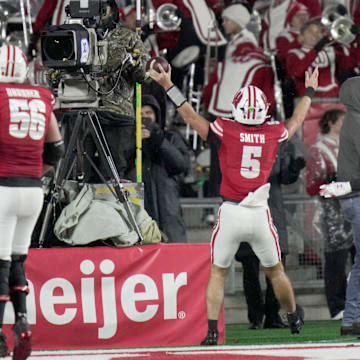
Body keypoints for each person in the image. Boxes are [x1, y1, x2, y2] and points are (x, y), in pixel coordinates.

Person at [149, 61, 319, 344]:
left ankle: (212, 331)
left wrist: (168, 84)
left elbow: (189, 116)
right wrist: (310, 89)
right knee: (276, 272)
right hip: (260, 215)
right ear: (263, 110)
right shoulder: (272, 132)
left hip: (231, 213)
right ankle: (292, 316)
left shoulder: (224, 129)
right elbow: (297, 119)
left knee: (217, 273)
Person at [0, 45, 64, 359]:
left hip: (4, 189)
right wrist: (35, 172)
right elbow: (56, 150)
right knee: (18, 260)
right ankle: (23, 321)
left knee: (0, 263)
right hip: (32, 189)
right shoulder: (41, 96)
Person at [235, 141, 305, 330]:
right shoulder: (237, 140)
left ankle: (272, 316)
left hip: (271, 211)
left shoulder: (276, 141)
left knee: (274, 268)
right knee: (250, 269)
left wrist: (293, 168)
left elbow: (284, 177)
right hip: (246, 209)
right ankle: (256, 317)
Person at [319, 76, 360, 336]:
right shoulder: (358, 123)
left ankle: (352, 319)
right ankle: (351, 317)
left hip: (352, 196)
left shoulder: (351, 120)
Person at [306, 109, 353, 321]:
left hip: (354, 206)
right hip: (333, 212)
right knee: (336, 259)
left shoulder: (350, 145)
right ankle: (337, 306)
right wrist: (330, 182)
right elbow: (311, 187)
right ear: (332, 123)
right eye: (342, 119)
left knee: (356, 257)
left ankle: (354, 303)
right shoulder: (319, 149)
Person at [141, 94, 190, 243]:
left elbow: (180, 165)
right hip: (142, 212)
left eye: (149, 113)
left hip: (168, 210)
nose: (145, 118)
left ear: (157, 115)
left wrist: (159, 140)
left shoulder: (171, 137)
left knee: (175, 257)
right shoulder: (129, 139)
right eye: (140, 114)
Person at [286, 20, 355, 98]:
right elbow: (297, 73)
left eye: (318, 32)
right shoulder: (294, 54)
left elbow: (349, 65)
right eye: (310, 31)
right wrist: (316, 49)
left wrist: (353, 39)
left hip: (333, 98)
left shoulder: (331, 50)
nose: (315, 35)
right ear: (301, 37)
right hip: (308, 100)